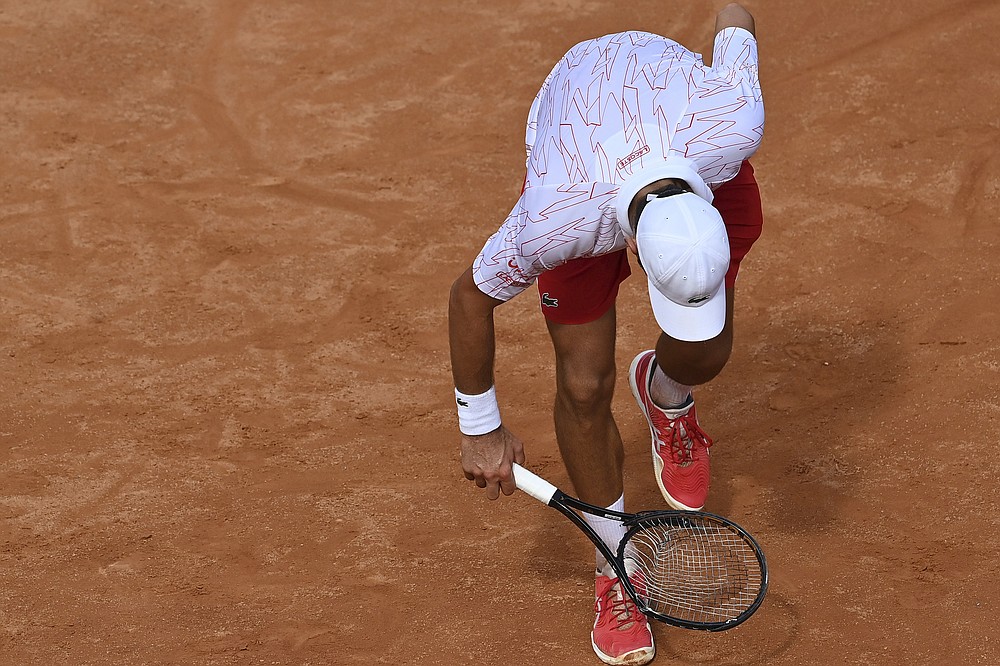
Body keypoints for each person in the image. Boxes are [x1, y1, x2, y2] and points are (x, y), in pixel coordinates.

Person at [448, 4, 764, 664]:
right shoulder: (557, 217)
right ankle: (615, 563)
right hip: (579, 138)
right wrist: (479, 427)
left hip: (681, 126)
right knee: (584, 384)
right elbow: (470, 297)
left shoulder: (732, 123)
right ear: (636, 261)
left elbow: (737, 14)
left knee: (710, 349)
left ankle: (666, 390)